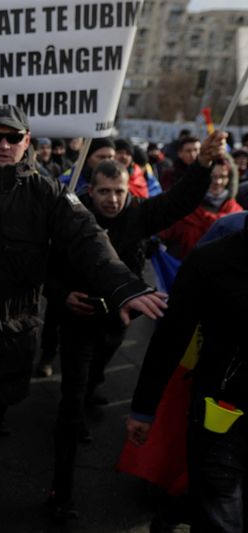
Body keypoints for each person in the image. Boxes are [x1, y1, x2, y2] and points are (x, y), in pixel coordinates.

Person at [0, 104, 167, 519]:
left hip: (10, 331)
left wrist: (124, 285)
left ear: (27, 141)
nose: (3, 145)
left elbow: (89, 240)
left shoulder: (49, 194)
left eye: (13, 137)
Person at [47, 130, 226, 518]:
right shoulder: (72, 219)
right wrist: (62, 295)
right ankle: (62, 493)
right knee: (71, 403)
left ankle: (92, 388)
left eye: (119, 192)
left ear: (129, 190)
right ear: (90, 192)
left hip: (118, 319)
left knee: (96, 372)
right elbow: (47, 267)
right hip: (78, 320)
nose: (112, 200)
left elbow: (180, 202)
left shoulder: (139, 214)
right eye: (104, 192)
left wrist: (202, 165)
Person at [127, 216, 248, 532]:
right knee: (223, 518)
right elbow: (171, 337)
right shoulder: (212, 259)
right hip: (222, 414)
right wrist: (144, 408)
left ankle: (179, 508)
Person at [159, 155, 243, 259]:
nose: (217, 182)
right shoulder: (184, 210)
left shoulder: (237, 212)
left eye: (223, 177)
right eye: (212, 176)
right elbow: (163, 234)